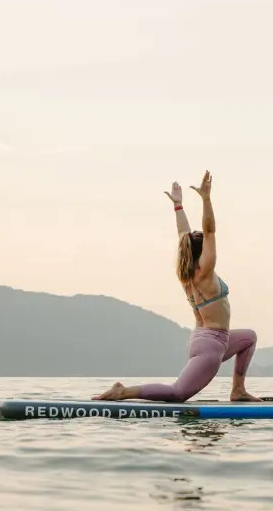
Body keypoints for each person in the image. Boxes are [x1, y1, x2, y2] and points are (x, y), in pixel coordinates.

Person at [94, 170, 261, 403]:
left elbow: (183, 234)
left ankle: (238, 390)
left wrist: (178, 207)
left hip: (209, 338)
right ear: (201, 253)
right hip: (211, 346)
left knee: (249, 337)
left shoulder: (187, 271)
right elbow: (210, 230)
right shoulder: (204, 273)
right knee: (177, 393)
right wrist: (206, 199)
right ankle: (123, 392)